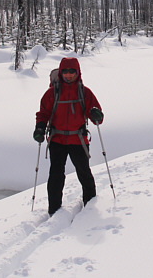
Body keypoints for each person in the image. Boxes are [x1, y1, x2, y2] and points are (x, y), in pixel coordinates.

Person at [34, 56, 104, 216]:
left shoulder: (85, 92)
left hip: (78, 139)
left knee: (84, 172)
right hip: (57, 139)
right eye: (65, 71)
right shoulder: (52, 93)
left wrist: (96, 115)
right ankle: (54, 209)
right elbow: (43, 113)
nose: (68, 74)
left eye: (72, 71)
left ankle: (90, 204)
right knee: (56, 175)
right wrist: (40, 128)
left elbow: (97, 116)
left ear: (77, 72)